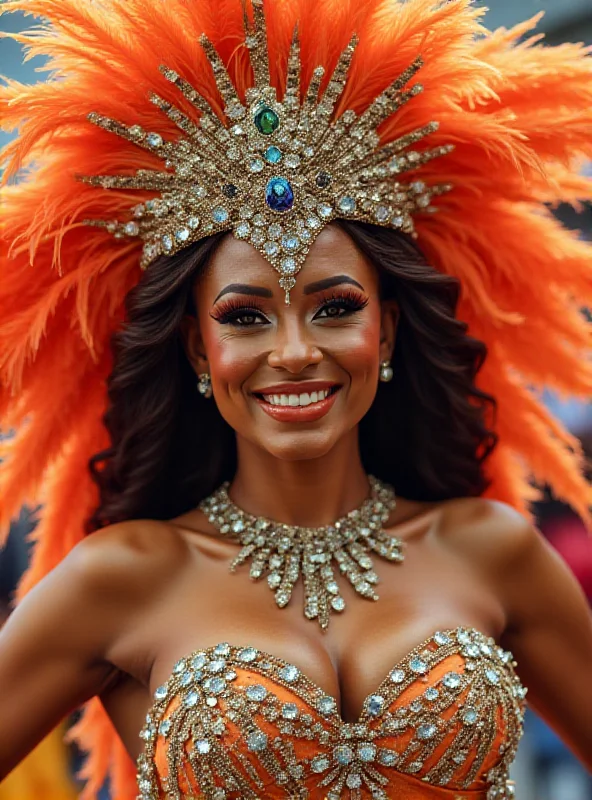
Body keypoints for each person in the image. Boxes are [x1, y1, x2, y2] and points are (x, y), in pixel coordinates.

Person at [0, 0, 591, 798]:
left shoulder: (491, 550)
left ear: (385, 333)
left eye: (336, 307)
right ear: (197, 349)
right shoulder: (123, 579)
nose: (294, 352)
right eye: (245, 318)